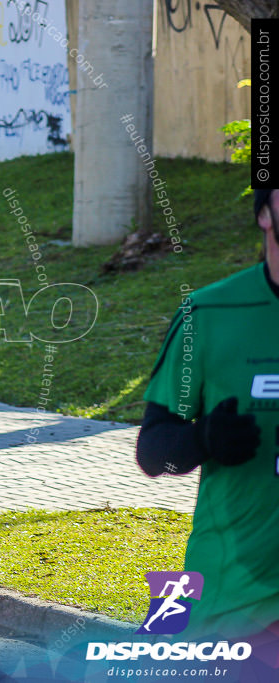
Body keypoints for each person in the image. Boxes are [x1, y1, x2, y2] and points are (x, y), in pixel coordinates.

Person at [136, 187, 279, 640]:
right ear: (264, 214)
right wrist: (202, 441)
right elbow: (154, 454)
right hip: (234, 608)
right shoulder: (208, 315)